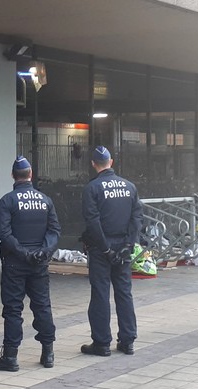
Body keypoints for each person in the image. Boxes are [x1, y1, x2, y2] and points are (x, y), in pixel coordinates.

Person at [0, 156, 61, 370]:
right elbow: (55, 231)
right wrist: (43, 251)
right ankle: (48, 354)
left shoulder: (7, 201)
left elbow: (4, 233)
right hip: (39, 263)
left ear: (13, 176)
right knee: (42, 307)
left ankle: (10, 357)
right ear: (30, 175)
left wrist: (23, 253)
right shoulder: (45, 200)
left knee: (12, 310)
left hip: (15, 264)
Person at [80, 146, 143, 356]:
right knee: (124, 293)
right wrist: (128, 246)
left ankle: (101, 342)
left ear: (93, 164)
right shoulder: (129, 187)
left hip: (101, 248)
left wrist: (106, 248)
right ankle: (127, 340)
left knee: (100, 294)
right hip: (123, 247)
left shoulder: (93, 188)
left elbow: (93, 222)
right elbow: (136, 219)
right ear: (111, 161)